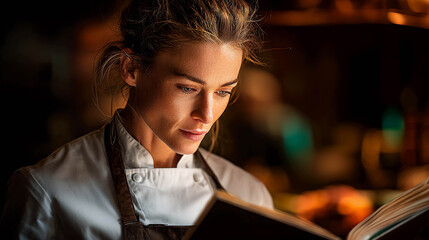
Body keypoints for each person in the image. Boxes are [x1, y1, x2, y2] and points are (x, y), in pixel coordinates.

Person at [0, 0, 273, 239]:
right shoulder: (47, 192)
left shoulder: (249, 197)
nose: (207, 114)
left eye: (223, 91)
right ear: (131, 69)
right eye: (188, 88)